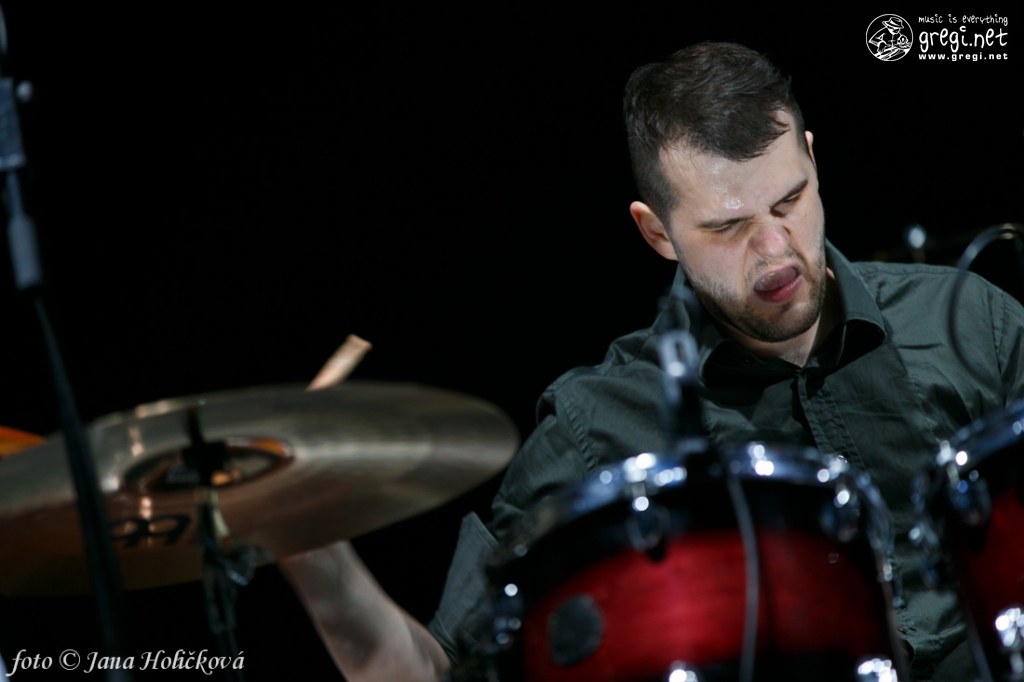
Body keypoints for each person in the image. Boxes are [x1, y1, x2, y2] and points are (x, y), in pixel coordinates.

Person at [281, 42, 1024, 682]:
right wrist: (314, 554)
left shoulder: (968, 320)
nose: (775, 250)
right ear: (657, 232)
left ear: (812, 158)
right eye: (727, 226)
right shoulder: (596, 427)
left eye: (790, 200)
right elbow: (443, 672)